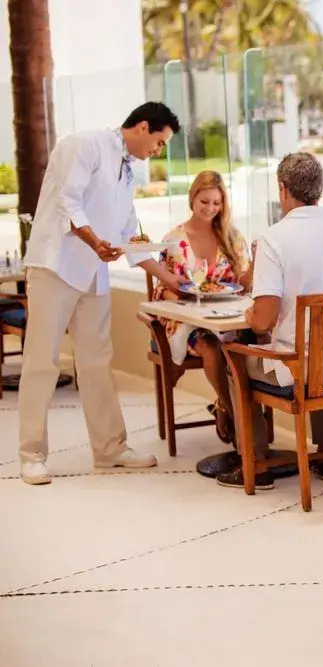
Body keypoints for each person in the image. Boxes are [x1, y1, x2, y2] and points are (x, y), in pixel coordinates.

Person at [19, 102, 183, 485]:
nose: (158, 151)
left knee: (96, 361)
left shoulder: (128, 171)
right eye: (159, 142)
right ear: (142, 127)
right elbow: (67, 201)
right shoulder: (85, 145)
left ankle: (110, 449)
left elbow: (128, 235)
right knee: (41, 362)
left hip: (94, 275)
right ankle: (31, 455)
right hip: (55, 266)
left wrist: (172, 279)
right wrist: (95, 242)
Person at [216, 152, 323, 490]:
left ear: (283, 189)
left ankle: (256, 464)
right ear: (319, 189)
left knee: (234, 359)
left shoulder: (274, 238)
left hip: (298, 369)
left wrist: (251, 315)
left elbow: (262, 322)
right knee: (320, 347)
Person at [153, 170, 252, 443]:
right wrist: (186, 299)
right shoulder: (174, 240)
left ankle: (228, 409)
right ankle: (238, 419)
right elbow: (161, 290)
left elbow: (243, 284)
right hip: (185, 320)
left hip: (225, 316)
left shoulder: (233, 238)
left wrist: (256, 267)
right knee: (210, 346)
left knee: (252, 343)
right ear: (192, 198)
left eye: (217, 203)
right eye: (204, 201)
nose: (210, 208)